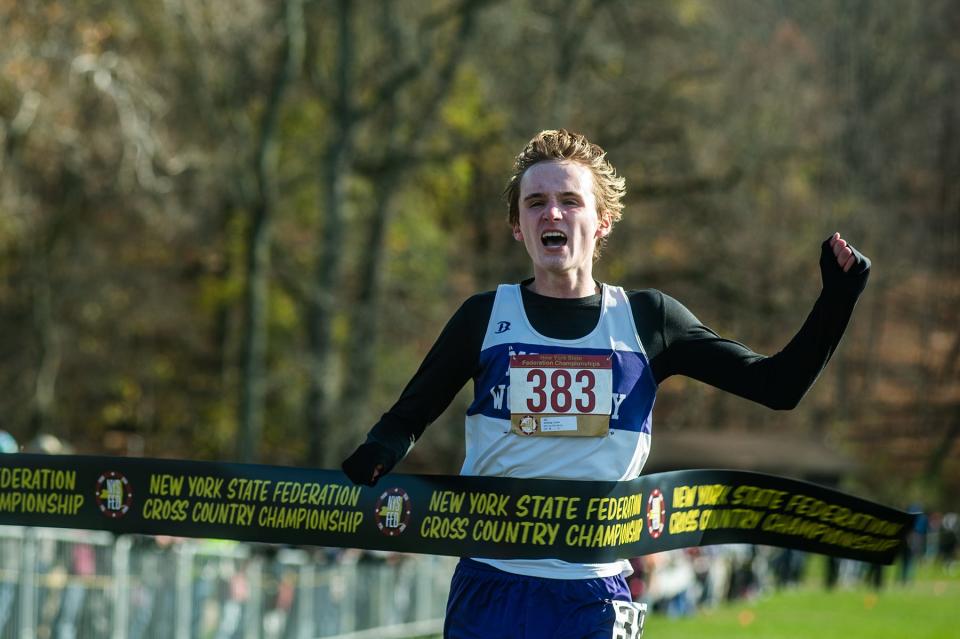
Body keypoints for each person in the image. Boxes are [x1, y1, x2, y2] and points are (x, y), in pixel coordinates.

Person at [341, 129, 870, 638]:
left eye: (570, 201)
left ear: (602, 222)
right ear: (517, 227)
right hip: (491, 585)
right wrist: (376, 452)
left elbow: (778, 387)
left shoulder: (648, 320)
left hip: (593, 596)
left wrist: (837, 298)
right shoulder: (485, 316)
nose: (552, 212)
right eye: (536, 203)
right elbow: (406, 419)